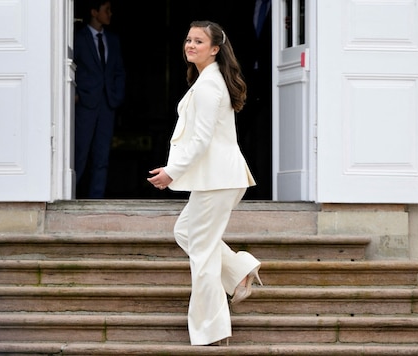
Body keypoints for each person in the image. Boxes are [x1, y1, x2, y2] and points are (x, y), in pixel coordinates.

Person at [147, 20, 263, 346]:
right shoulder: (206, 81)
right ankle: (240, 269)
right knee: (186, 233)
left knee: (202, 252)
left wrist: (172, 171)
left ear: (215, 49)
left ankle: (211, 329)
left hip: (219, 179)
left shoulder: (210, 85)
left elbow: (201, 140)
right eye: (188, 40)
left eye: (199, 41)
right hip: (217, 179)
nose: (190, 45)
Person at [73, 0, 125, 199]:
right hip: (85, 104)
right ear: (94, 12)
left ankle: (97, 198)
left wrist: (117, 95)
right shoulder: (78, 37)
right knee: (79, 153)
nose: (110, 14)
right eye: (107, 10)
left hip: (107, 104)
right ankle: (69, 196)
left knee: (102, 155)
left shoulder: (113, 39)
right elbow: (69, 66)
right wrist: (74, 94)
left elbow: (119, 70)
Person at [234, 0, 273, 200]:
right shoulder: (244, 5)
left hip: (276, 78)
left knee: (271, 136)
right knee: (239, 135)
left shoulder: (286, 5)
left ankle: (268, 189)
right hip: (246, 80)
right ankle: (247, 188)